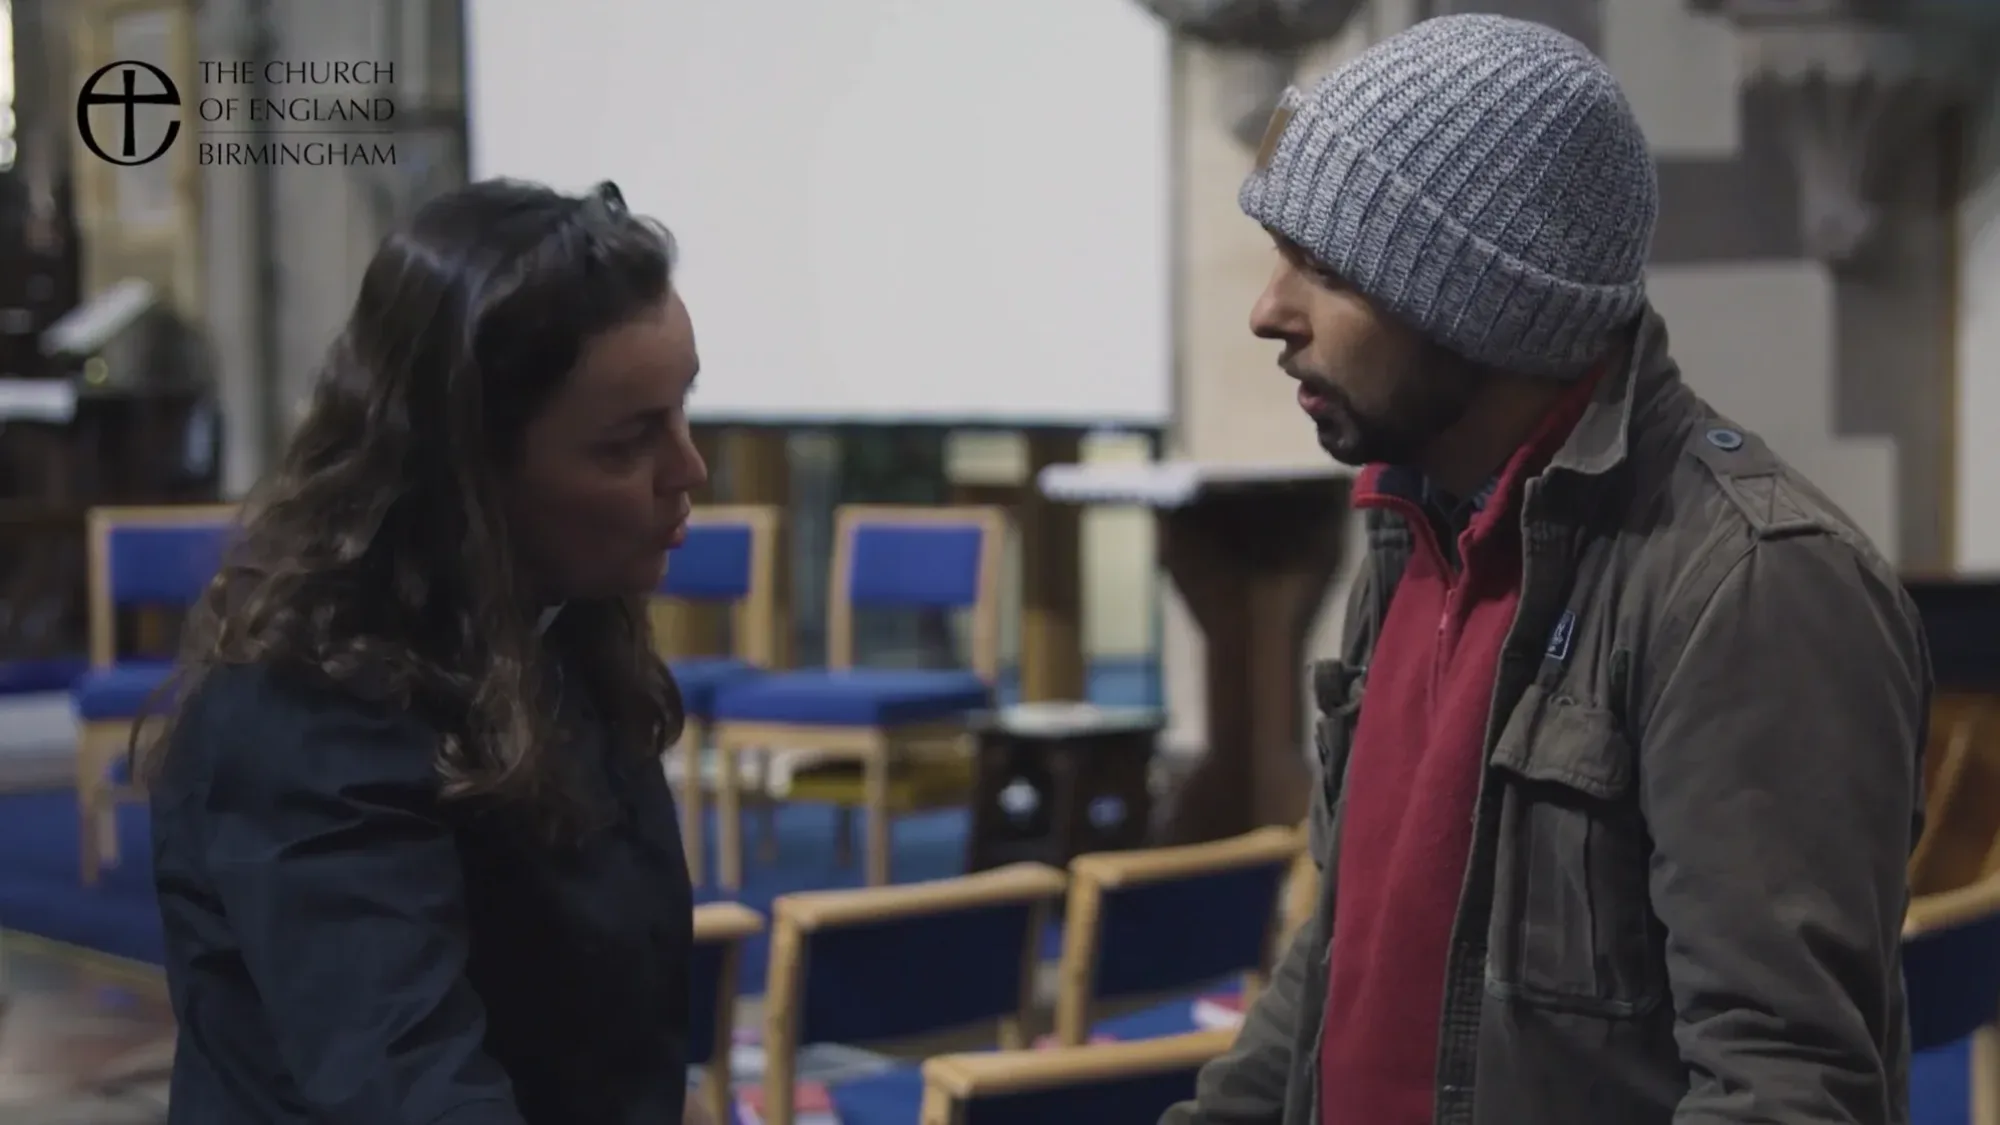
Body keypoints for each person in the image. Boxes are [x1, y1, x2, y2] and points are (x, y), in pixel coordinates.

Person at [1165, 15, 1929, 1125]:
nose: (1266, 312)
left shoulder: (1751, 587)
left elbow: (1780, 1088)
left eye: (1322, 268)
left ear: (1472, 301)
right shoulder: (1404, 526)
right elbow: (1345, 957)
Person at [142, 178, 710, 1125]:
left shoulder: (566, 634)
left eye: (684, 408)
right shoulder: (306, 714)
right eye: (626, 443)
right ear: (470, 474)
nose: (689, 468)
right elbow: (416, 1093)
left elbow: (622, 1062)